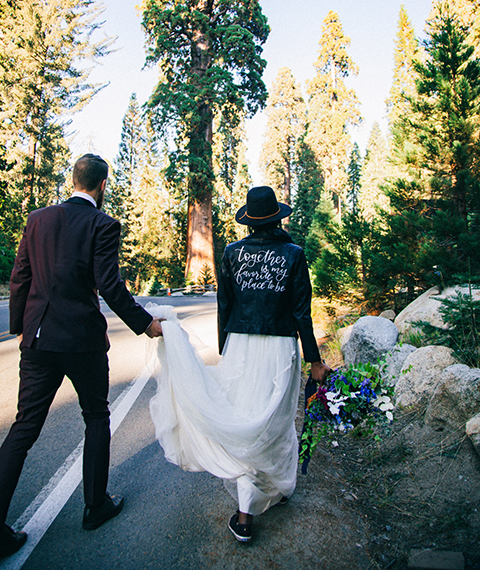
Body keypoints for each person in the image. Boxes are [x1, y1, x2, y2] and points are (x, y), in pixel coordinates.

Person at [0, 154, 163, 559]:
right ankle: (95, 506)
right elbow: (110, 284)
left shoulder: (37, 219)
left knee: (23, 429)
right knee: (95, 417)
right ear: (102, 185)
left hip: (37, 340)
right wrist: (146, 324)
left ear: (73, 181)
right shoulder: (103, 225)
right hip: (83, 343)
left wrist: (20, 325)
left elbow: (21, 275)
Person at [148, 185, 330, 543]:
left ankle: (250, 509)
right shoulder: (293, 254)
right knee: (273, 422)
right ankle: (268, 493)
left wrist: (225, 350)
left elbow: (225, 306)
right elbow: (301, 313)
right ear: (277, 217)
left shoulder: (232, 253)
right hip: (280, 349)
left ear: (249, 222)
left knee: (246, 420)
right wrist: (315, 360)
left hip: (241, 346)